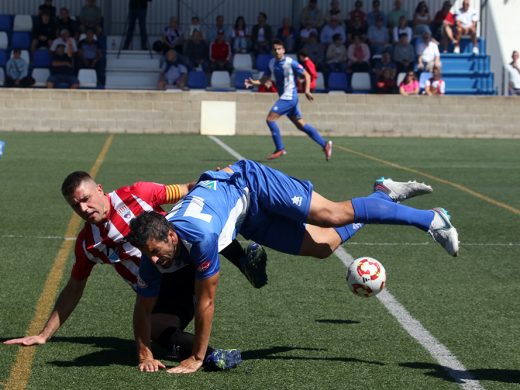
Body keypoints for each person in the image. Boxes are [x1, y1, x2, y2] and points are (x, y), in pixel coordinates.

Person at [128, 160, 458, 373]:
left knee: (332, 215)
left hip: (252, 180)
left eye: (158, 252)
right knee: (323, 246)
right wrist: (144, 353)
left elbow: (206, 301)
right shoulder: (151, 249)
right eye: (149, 255)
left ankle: (432, 220)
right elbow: (142, 308)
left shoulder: (199, 238)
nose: (154, 260)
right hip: (244, 214)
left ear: (171, 234)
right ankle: (383, 196)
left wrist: (198, 358)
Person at [4, 171, 268, 371]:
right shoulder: (88, 243)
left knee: (197, 226)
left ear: (99, 189)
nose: (83, 209)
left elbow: (188, 190)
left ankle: (245, 264)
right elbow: (74, 287)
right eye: (76, 206)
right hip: (160, 291)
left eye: (85, 199)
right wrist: (43, 335)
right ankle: (213, 356)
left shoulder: (138, 193)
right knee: (155, 328)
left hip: (184, 259)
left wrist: (217, 177)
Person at [245, 40, 332, 161]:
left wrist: (307, 91)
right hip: (287, 97)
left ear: (284, 50)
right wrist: (254, 82)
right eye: (275, 49)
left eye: (279, 49)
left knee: (270, 119)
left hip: (289, 97)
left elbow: (307, 75)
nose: (277, 51)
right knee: (301, 125)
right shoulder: (271, 63)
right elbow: (265, 78)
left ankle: (280, 148)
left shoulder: (290, 62)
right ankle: (325, 144)